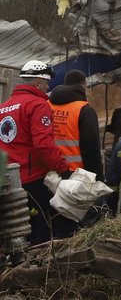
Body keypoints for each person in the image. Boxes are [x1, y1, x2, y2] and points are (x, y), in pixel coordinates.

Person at [0, 60, 73, 244]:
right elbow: (43, 145)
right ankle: (39, 267)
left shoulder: (4, 107)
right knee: (43, 229)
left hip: (8, 181)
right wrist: (64, 170)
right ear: (38, 83)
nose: (47, 87)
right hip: (33, 180)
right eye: (47, 83)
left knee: (13, 231)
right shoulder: (37, 104)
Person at [48, 69, 104, 179]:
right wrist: (97, 177)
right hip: (77, 175)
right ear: (84, 85)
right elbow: (91, 148)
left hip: (51, 173)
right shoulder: (84, 110)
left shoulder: (47, 105)